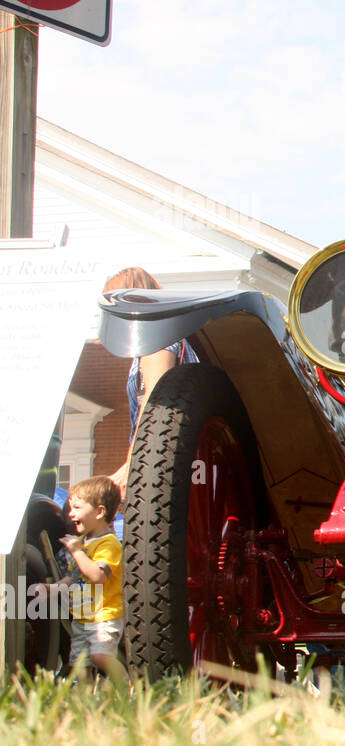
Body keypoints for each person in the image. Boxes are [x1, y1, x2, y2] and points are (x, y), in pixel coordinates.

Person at [102, 268, 198, 494]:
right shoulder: (169, 339)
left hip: (161, 458)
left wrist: (133, 464)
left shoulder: (157, 345)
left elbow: (152, 404)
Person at [54, 476, 127, 686]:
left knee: (100, 656)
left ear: (99, 512)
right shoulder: (85, 543)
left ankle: (126, 689)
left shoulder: (109, 543)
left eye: (76, 507)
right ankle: (85, 707)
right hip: (83, 617)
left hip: (104, 616)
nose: (70, 513)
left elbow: (97, 575)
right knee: (80, 666)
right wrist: (51, 589)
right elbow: (75, 576)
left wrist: (77, 552)